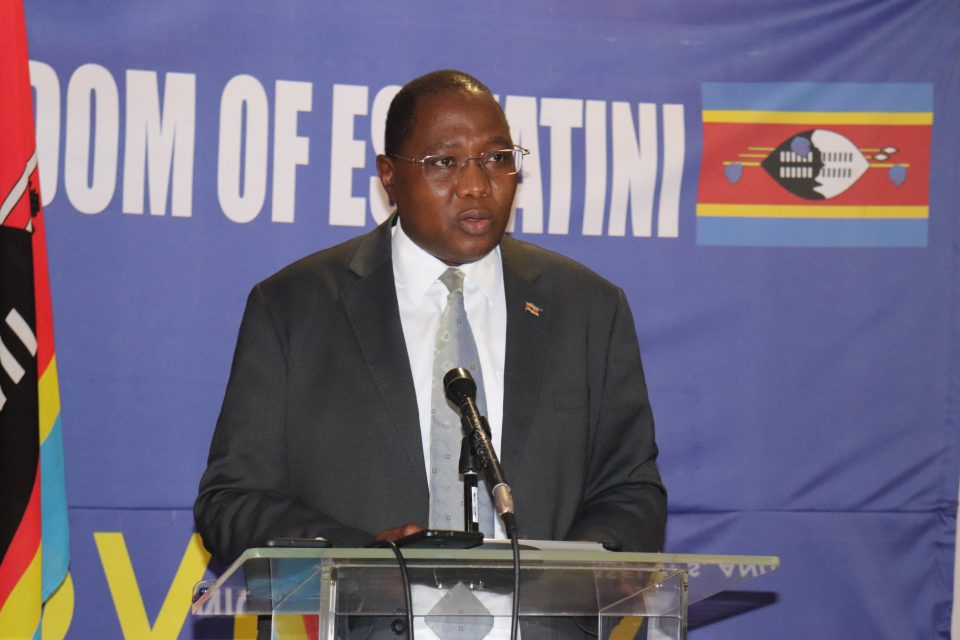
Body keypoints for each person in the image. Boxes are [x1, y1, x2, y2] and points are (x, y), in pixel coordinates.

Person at [195, 68, 666, 613]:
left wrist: (562, 583)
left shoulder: (587, 308)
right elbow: (233, 501)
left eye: (496, 158)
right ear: (389, 176)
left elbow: (632, 492)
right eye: (445, 162)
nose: (476, 185)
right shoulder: (294, 308)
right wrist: (364, 564)